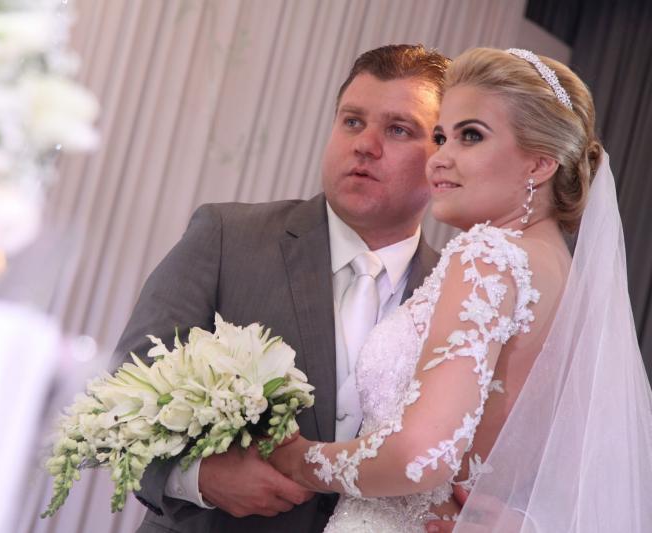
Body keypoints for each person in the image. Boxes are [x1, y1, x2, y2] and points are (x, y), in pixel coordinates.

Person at [269, 46, 652, 532]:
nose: (440, 159)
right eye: (440, 136)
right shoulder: (570, 282)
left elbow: (420, 457)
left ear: (540, 164)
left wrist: (301, 460)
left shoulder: (487, 256)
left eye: (471, 136)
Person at [111, 44, 448, 533]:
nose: (365, 145)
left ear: (444, 155)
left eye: (398, 129)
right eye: (352, 121)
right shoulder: (227, 237)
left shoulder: (460, 294)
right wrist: (200, 476)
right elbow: (118, 395)